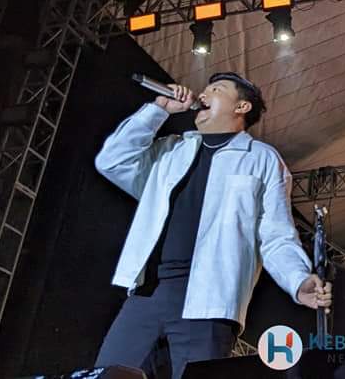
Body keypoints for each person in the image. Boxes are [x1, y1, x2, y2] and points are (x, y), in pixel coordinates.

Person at [93, 72, 332, 378]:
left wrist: (298, 280)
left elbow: (275, 235)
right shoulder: (172, 150)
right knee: (106, 374)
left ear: (242, 107)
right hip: (148, 294)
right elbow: (112, 161)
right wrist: (158, 109)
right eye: (205, 90)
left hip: (210, 302)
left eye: (216, 89)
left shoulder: (261, 159)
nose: (203, 95)